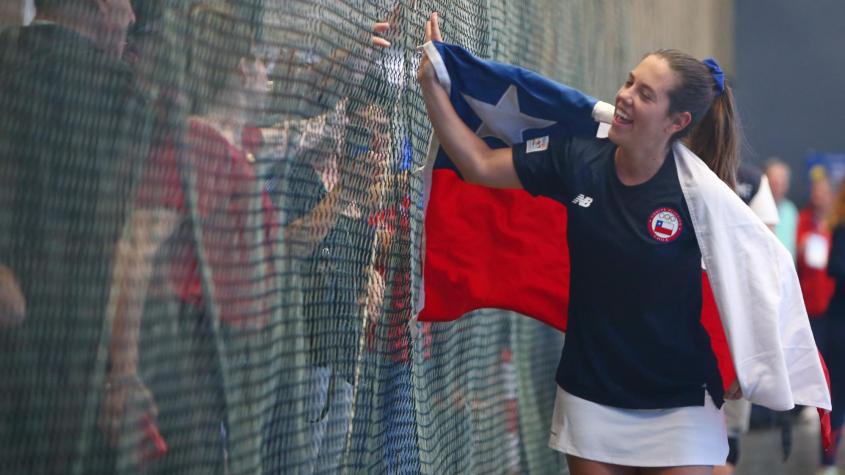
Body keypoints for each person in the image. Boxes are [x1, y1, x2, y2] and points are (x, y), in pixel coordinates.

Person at [416, 11, 829, 475]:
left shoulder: (704, 197)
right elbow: (477, 164)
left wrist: (742, 363)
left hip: (681, 404)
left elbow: (755, 280)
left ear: (678, 121)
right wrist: (436, 84)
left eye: (645, 94)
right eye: (630, 82)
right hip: (592, 395)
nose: (624, 96)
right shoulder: (576, 157)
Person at [0, 0, 146, 473]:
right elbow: (132, 243)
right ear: (100, 7)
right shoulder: (125, 99)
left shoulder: (5, 58)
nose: (131, 16)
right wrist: (122, 374)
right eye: (123, 3)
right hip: (75, 370)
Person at [820, 180, 845, 475]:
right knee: (836, 395)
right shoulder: (841, 229)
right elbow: (834, 267)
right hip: (840, 325)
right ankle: (827, 462)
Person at [766, 158, 800, 259]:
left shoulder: (791, 210)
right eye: (774, 183)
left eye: (783, 183)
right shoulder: (754, 210)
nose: (778, 188)